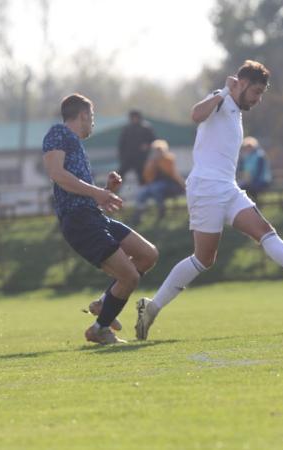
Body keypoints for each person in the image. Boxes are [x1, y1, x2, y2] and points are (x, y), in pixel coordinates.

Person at [133, 60, 283, 341]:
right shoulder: (220, 99)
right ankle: (152, 307)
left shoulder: (236, 111)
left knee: (265, 232)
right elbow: (196, 114)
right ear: (242, 84)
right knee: (203, 259)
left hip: (228, 188)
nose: (258, 100)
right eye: (256, 92)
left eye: (261, 94)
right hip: (206, 188)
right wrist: (223, 91)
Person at [42, 94, 159, 345]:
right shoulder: (58, 133)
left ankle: (103, 304)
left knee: (148, 254)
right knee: (130, 277)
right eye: (92, 117)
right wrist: (98, 192)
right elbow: (56, 174)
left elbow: (79, 190)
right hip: (78, 221)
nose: (92, 123)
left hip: (93, 216)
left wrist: (106, 190)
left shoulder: (74, 142)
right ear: (83, 115)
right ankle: (100, 329)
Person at [132, 139, 186, 225]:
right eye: (155, 150)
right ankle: (139, 214)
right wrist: (152, 164)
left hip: (170, 184)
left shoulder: (168, 159)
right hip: (154, 185)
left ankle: (161, 209)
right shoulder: (151, 161)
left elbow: (169, 172)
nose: (157, 152)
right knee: (142, 192)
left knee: (156, 188)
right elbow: (147, 177)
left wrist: (159, 161)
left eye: (159, 150)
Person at [117, 110, 156, 185]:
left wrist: (147, 145)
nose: (135, 119)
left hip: (140, 158)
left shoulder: (146, 128)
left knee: (142, 177)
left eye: (136, 117)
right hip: (128, 157)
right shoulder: (127, 129)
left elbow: (154, 141)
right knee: (119, 175)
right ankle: (114, 192)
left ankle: (144, 193)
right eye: (133, 117)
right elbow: (121, 144)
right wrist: (121, 156)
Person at [237, 136, 272, 202]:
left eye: (249, 146)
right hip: (249, 181)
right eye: (246, 146)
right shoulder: (245, 156)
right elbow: (242, 169)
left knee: (249, 188)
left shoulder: (260, 156)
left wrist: (250, 180)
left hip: (261, 181)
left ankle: (254, 204)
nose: (248, 148)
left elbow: (260, 172)